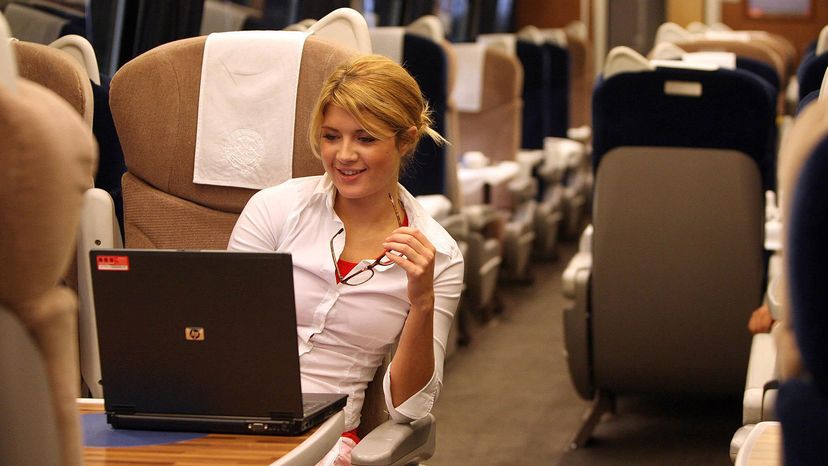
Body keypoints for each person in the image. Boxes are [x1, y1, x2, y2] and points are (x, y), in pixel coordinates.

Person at [227, 54, 465, 465]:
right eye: (331, 136)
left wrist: (422, 302)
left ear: (406, 140)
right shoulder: (274, 210)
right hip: (231, 412)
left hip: (324, 438)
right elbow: (221, 330)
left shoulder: (438, 255)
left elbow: (410, 409)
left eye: (366, 138)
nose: (344, 155)